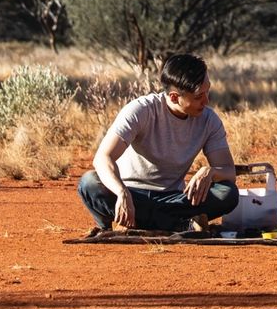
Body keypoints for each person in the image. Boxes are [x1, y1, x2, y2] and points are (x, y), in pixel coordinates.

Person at [77, 53, 239, 234]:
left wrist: (212, 171)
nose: (206, 100)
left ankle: (136, 223)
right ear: (174, 97)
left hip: (174, 199)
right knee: (89, 183)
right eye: (198, 96)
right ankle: (178, 225)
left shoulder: (209, 120)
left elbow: (229, 172)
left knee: (228, 193)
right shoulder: (141, 110)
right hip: (131, 194)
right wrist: (122, 192)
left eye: (207, 91)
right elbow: (102, 158)